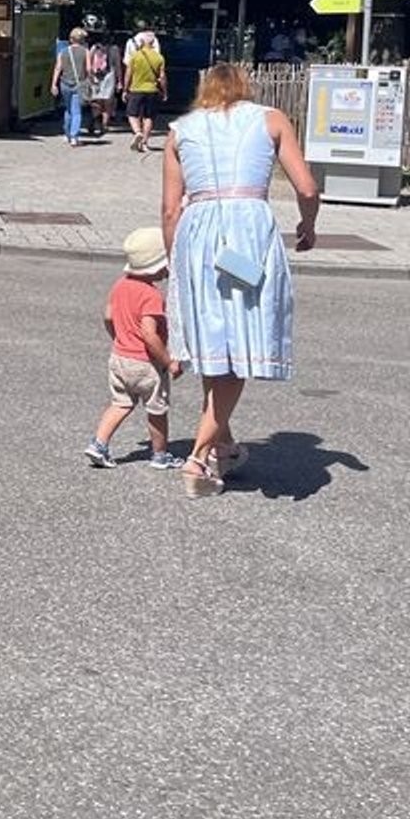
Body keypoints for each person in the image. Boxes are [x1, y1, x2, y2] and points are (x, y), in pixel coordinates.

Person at [161, 63, 320, 498]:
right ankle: (198, 456)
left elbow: (171, 209)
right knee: (239, 347)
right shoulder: (269, 119)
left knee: (216, 343)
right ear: (246, 88)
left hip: (198, 236)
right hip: (247, 235)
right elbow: (306, 187)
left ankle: (224, 445)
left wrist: (177, 261)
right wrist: (308, 226)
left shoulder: (180, 130)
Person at [84, 227, 185, 470]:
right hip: (146, 364)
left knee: (120, 403)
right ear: (157, 265)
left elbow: (108, 315)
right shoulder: (151, 295)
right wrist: (169, 361)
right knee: (157, 409)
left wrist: (117, 337)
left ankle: (99, 443)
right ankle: (160, 455)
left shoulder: (120, 285)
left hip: (119, 357)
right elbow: (149, 334)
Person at [121, 30, 167, 154]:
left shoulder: (135, 56)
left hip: (136, 89)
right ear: (153, 43)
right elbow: (162, 77)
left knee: (132, 114)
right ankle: (145, 142)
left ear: (141, 42)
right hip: (152, 90)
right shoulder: (159, 57)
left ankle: (137, 132)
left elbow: (128, 74)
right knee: (149, 117)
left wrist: (125, 89)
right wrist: (164, 91)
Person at [49, 26, 95, 147]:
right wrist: (91, 80)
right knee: (77, 111)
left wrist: (54, 84)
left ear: (71, 39)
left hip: (64, 83)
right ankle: (74, 136)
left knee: (68, 109)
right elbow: (89, 69)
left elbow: (58, 68)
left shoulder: (63, 52)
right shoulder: (86, 52)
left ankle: (67, 134)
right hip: (79, 83)